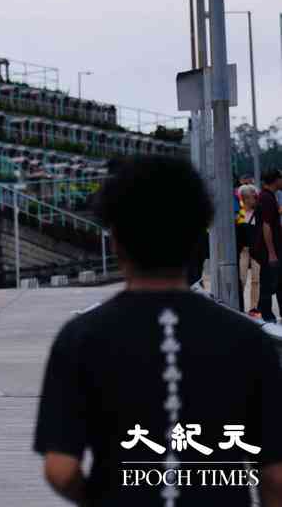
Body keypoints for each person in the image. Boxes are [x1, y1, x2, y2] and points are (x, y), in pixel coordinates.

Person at [34, 156, 282, 506]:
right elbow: (276, 477)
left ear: (116, 237)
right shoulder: (250, 341)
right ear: (197, 234)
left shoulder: (80, 338)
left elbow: (60, 470)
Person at [252, 170, 282, 323]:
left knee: (277, 282)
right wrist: (271, 253)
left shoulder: (267, 196)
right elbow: (266, 225)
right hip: (270, 250)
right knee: (268, 283)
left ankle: (268, 316)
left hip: (272, 249)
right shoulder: (266, 198)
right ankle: (267, 317)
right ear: (276, 180)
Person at [236, 183, 260, 314]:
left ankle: (254, 307)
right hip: (243, 250)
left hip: (256, 250)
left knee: (256, 279)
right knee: (241, 278)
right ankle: (240, 306)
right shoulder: (238, 214)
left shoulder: (258, 213)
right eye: (252, 197)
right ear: (245, 198)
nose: (255, 199)